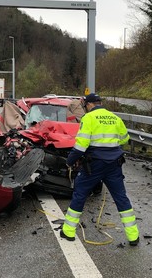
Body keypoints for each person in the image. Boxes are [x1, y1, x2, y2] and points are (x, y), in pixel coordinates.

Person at [60, 93, 140, 246]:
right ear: (100, 103)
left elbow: (81, 146)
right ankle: (133, 236)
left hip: (93, 165)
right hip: (114, 165)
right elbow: (124, 139)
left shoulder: (88, 118)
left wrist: (69, 161)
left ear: (89, 105)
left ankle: (68, 231)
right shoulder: (115, 118)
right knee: (121, 198)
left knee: (80, 194)